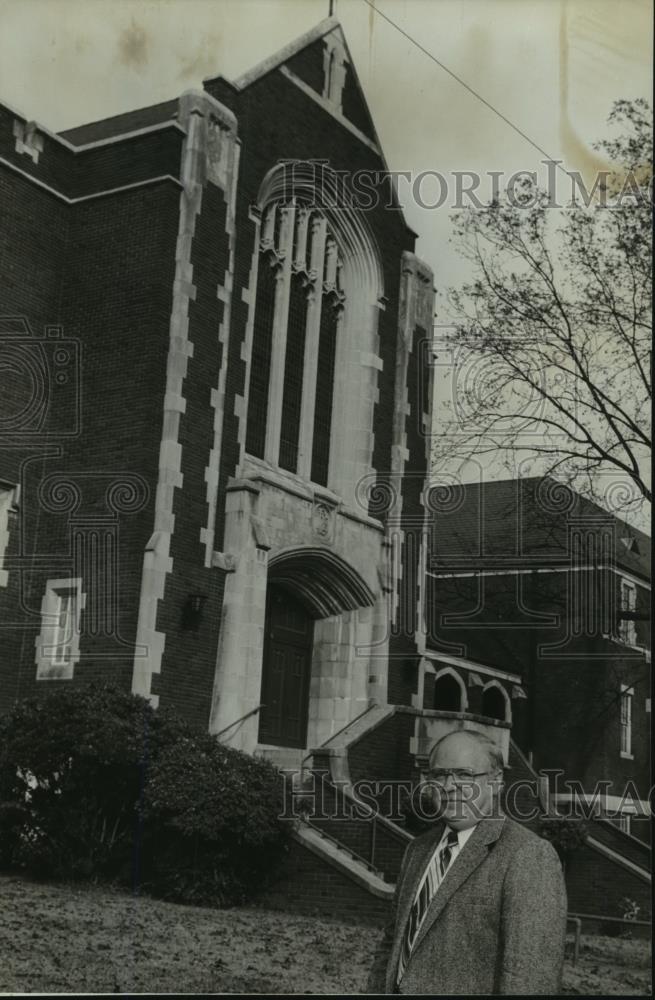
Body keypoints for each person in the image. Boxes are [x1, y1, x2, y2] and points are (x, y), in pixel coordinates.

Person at [366, 729, 567, 995]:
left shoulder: (528, 855)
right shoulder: (417, 849)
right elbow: (392, 943)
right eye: (439, 775)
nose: (449, 786)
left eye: (464, 774)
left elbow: (528, 977)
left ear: (496, 782)